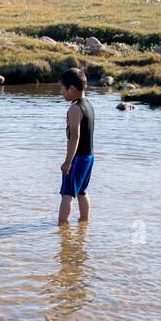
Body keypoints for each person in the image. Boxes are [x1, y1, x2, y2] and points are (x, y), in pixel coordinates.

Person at [57, 68, 94, 224]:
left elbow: (75, 136)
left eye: (62, 88)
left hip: (77, 158)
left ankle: (62, 226)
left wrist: (68, 161)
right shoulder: (88, 105)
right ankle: (84, 222)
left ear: (71, 88)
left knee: (67, 193)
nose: (61, 92)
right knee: (81, 192)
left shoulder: (74, 108)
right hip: (88, 157)